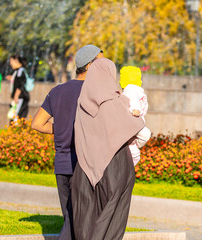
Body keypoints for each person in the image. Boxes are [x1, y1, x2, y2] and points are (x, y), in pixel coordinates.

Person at [31, 44, 103, 240]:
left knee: (71, 220)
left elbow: (37, 124)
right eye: (101, 63)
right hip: (85, 166)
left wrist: (61, 127)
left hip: (62, 166)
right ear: (89, 66)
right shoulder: (96, 92)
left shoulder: (57, 91)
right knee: (77, 224)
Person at [72, 58, 145, 240]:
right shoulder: (114, 100)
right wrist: (141, 120)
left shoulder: (83, 101)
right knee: (114, 211)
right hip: (115, 163)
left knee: (87, 215)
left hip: (86, 163)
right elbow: (132, 126)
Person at [119, 66, 151, 166]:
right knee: (144, 136)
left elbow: (132, 99)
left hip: (133, 119)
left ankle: (129, 163)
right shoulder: (135, 89)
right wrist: (136, 109)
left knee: (133, 145)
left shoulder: (130, 89)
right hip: (136, 119)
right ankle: (131, 162)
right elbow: (134, 100)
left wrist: (135, 109)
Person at [6, 55, 30, 121]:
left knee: (17, 115)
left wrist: (16, 95)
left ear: (16, 61)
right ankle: (15, 128)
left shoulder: (20, 71)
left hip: (21, 97)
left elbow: (21, 84)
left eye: (11, 61)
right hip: (20, 97)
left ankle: (16, 129)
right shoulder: (18, 71)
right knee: (16, 114)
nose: (10, 63)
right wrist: (11, 78)